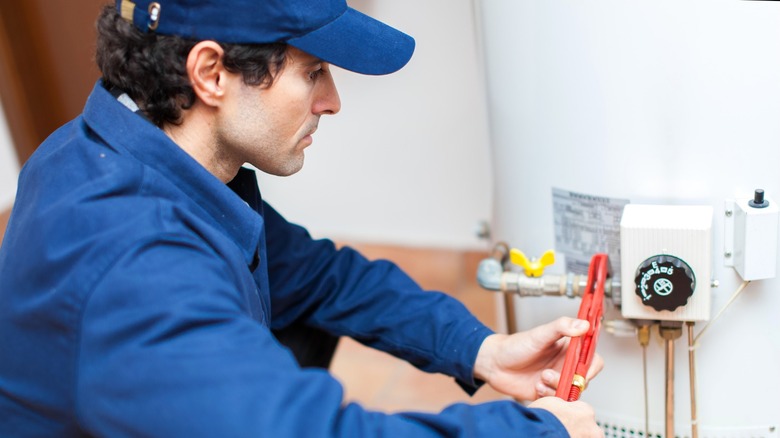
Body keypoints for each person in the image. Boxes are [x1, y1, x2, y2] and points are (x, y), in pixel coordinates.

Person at [0, 0, 604, 436]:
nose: (332, 101)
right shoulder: (135, 266)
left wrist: (482, 349)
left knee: (307, 310)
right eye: (313, 71)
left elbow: (322, 278)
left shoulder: (116, 147)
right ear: (211, 74)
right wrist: (534, 431)